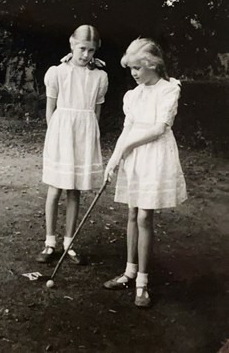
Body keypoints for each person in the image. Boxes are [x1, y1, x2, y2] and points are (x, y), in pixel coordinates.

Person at [103, 38, 187, 307]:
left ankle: (142, 281)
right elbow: (127, 130)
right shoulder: (133, 95)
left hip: (155, 156)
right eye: (131, 69)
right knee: (131, 212)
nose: (134, 73)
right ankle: (129, 271)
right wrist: (114, 159)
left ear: (152, 65)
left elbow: (159, 128)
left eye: (138, 68)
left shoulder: (168, 89)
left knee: (144, 216)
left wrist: (127, 145)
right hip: (134, 156)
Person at [36, 25, 108, 265]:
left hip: (83, 134)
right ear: (71, 44)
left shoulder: (99, 76)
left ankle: (69, 242)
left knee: (74, 189)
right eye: (81, 48)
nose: (86, 54)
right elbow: (50, 110)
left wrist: (90, 139)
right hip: (61, 133)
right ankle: (49, 242)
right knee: (55, 188)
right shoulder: (57, 72)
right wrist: (54, 138)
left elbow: (96, 112)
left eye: (90, 50)